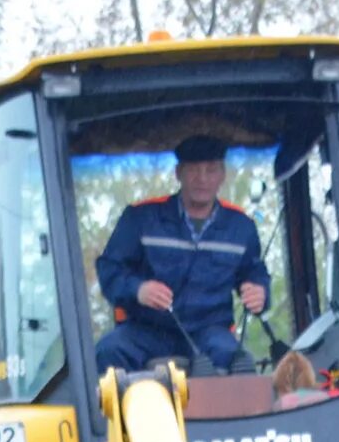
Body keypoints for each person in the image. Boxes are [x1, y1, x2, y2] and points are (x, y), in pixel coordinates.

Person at [93, 131, 270, 376]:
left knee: (237, 362)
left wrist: (259, 291)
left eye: (210, 170)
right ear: (179, 173)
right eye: (194, 170)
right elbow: (109, 269)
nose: (202, 179)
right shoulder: (141, 218)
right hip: (146, 329)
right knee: (108, 351)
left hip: (210, 331)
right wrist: (138, 290)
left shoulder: (241, 227)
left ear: (222, 176)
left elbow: (253, 272)